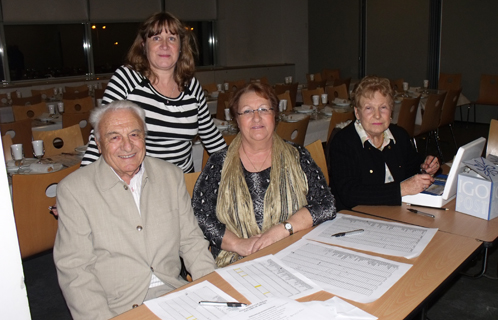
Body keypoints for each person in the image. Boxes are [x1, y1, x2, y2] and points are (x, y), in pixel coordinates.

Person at [54, 100, 215, 320]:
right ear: (99, 145)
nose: (127, 146)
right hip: (116, 307)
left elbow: (191, 241)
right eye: (114, 137)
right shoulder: (74, 190)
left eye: (134, 134)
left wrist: (214, 289)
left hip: (173, 293)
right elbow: (75, 270)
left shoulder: (170, 176)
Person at [192, 83, 336, 268]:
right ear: (236, 119)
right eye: (247, 111)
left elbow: (326, 204)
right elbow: (199, 215)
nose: (256, 117)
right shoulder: (219, 163)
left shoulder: (297, 156)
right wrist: (238, 244)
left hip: (293, 255)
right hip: (236, 262)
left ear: (274, 115)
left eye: (263, 109)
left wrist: (283, 230)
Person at [81, 12, 226, 173]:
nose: (164, 45)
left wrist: (235, 170)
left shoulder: (191, 85)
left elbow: (211, 136)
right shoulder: (127, 79)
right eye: (156, 38)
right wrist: (83, 181)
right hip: (142, 184)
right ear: (144, 45)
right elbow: (101, 135)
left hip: (183, 182)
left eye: (172, 38)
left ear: (180, 47)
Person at [328, 76, 440, 211]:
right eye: (369, 108)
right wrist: (401, 189)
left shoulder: (399, 135)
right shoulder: (344, 142)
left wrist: (426, 166)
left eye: (383, 107)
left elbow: (411, 167)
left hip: (395, 211)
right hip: (356, 215)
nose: (377, 115)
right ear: (357, 113)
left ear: (391, 111)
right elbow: (350, 194)